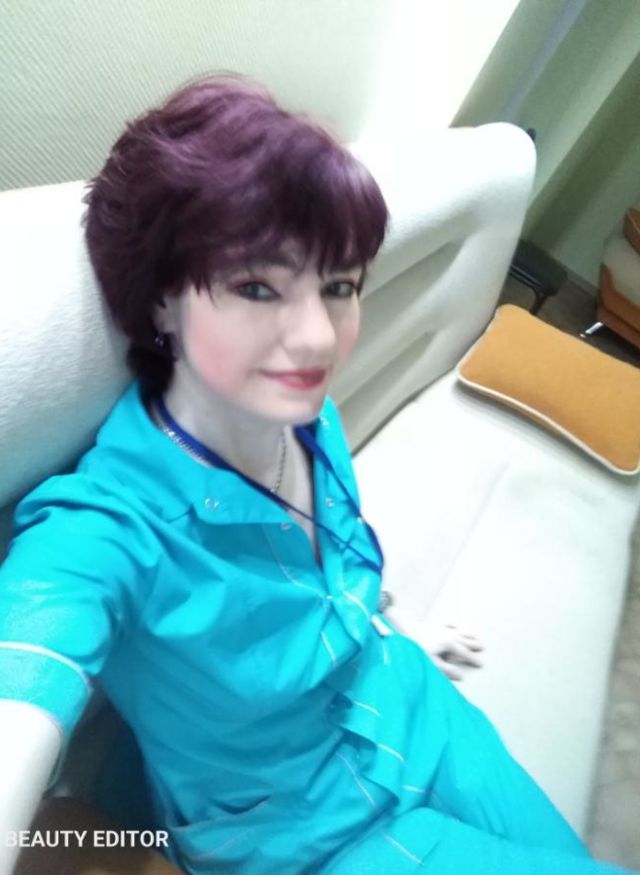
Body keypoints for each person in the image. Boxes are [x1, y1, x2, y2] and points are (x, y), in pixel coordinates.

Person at [0, 73, 635, 875]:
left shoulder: (306, 417)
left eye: (338, 285)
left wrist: (391, 625)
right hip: (313, 831)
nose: (317, 338)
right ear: (161, 302)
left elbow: (331, 560)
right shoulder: (108, 528)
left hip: (410, 700)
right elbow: (26, 677)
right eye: (257, 287)